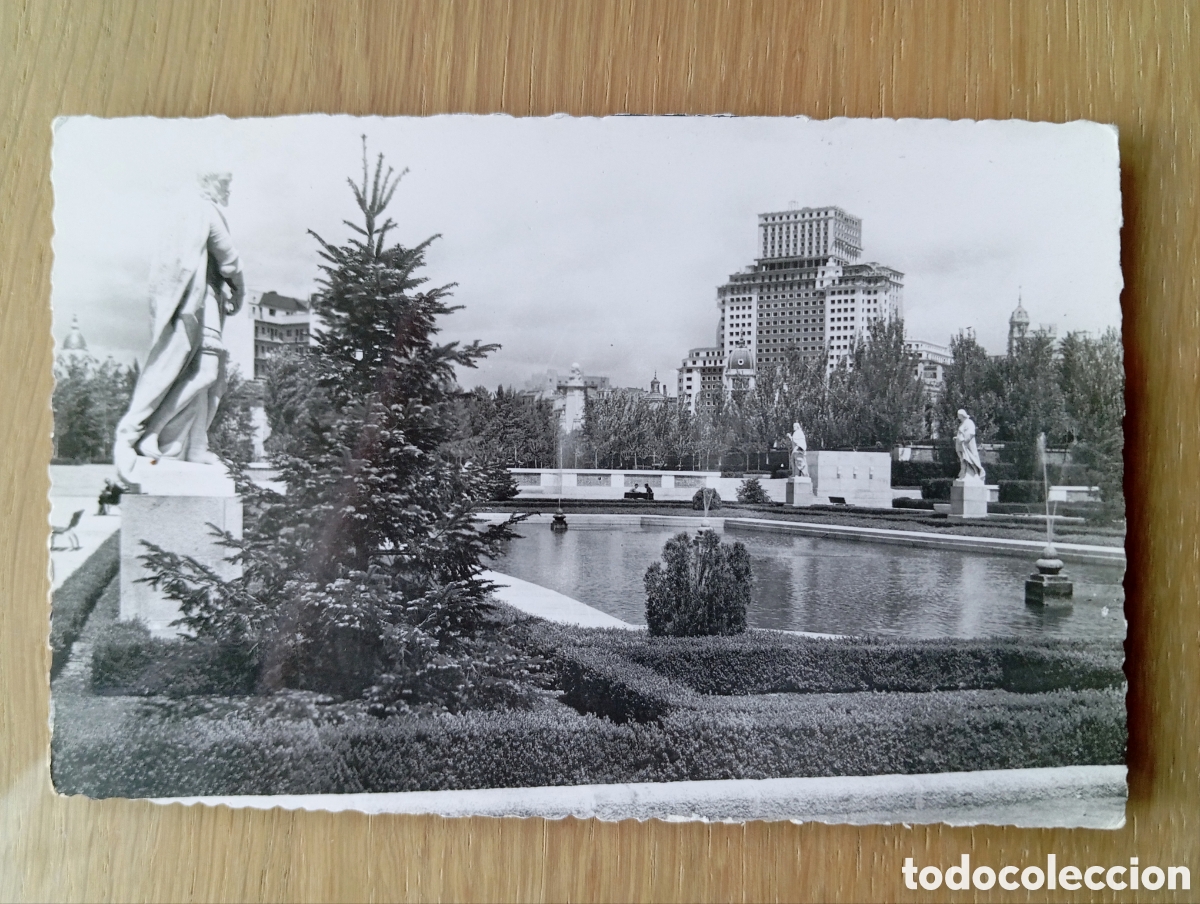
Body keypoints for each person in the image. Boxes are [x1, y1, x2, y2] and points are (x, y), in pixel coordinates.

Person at [113, 172, 245, 484]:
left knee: (212, 380)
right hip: (202, 308)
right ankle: (153, 432)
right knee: (207, 374)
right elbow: (229, 259)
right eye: (226, 181)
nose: (229, 186)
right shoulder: (204, 210)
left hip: (200, 307)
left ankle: (196, 446)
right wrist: (241, 290)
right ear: (210, 181)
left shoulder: (181, 215)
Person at [954, 409, 986, 480]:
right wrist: (957, 438)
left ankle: (975, 473)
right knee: (963, 459)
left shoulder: (969, 422)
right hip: (962, 445)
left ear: (962, 415)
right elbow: (961, 433)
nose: (958, 416)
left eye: (958, 415)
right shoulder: (962, 423)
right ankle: (964, 474)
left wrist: (964, 439)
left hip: (968, 445)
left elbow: (971, 433)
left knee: (970, 458)